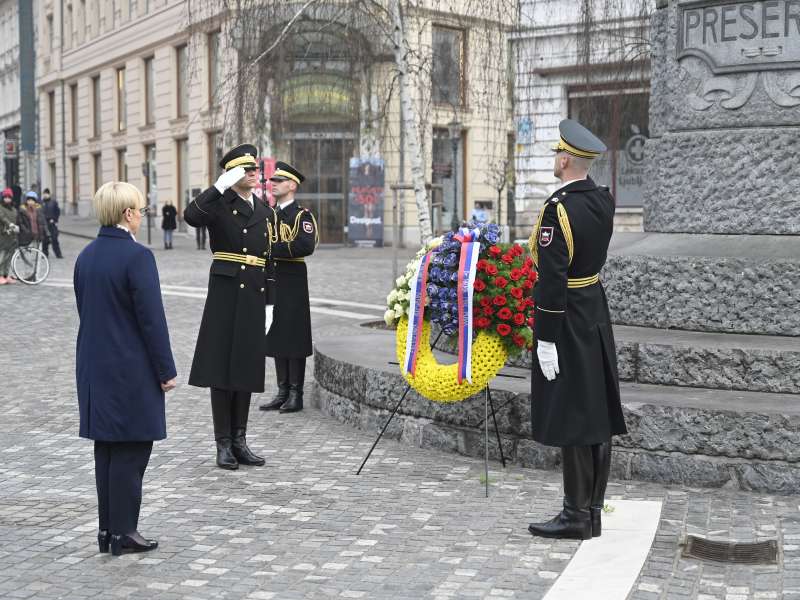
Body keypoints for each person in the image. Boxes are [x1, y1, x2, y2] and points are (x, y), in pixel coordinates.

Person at [526, 119, 627, 541]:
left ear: (565, 159)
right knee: (596, 411)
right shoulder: (602, 200)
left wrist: (545, 337)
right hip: (594, 308)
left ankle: (575, 515)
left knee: (572, 411)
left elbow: (552, 278)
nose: (554, 159)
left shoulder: (558, 209)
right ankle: (593, 512)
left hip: (565, 312)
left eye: (555, 154)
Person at [73, 181, 177, 556]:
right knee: (132, 449)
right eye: (140, 210)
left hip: (93, 365)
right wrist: (166, 370)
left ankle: (107, 530)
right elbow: (152, 320)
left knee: (107, 449)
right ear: (128, 214)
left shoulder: (85, 256)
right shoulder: (137, 258)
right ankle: (125, 532)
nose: (141, 215)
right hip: (130, 368)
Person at [184, 144, 271, 470]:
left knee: (245, 368)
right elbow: (191, 216)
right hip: (225, 292)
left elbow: (269, 259)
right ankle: (222, 443)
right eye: (245, 170)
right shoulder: (219, 203)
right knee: (222, 369)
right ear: (232, 174)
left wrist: (270, 303)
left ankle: (240, 440)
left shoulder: (264, 209)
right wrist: (219, 186)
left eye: (254, 169)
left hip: (253, 296)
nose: (253, 173)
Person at [259, 161, 318, 414]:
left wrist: (271, 249)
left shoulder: (301, 215)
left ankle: (296, 393)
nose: (272, 184)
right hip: (271, 276)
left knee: (294, 334)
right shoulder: (267, 214)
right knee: (276, 334)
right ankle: (282, 391)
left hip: (292, 278)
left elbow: (305, 245)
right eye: (272, 181)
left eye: (278, 181)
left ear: (292, 185)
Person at [0, 188, 19, 285]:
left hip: (11, 237)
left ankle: (6, 275)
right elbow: (3, 218)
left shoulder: (14, 210)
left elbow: (16, 220)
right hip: (2, 236)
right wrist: (10, 224)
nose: (7, 199)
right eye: (5, 197)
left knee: (9, 258)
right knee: (2, 257)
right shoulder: (0, 208)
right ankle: (0, 275)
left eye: (9, 197)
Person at [41, 188, 63, 258]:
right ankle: (44, 254)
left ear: (49, 194)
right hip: (44, 224)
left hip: (52, 223)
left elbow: (57, 212)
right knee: (45, 240)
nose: (45, 195)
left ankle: (58, 254)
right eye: (44, 194)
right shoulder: (41, 203)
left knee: (54, 239)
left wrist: (55, 220)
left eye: (46, 194)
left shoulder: (53, 202)